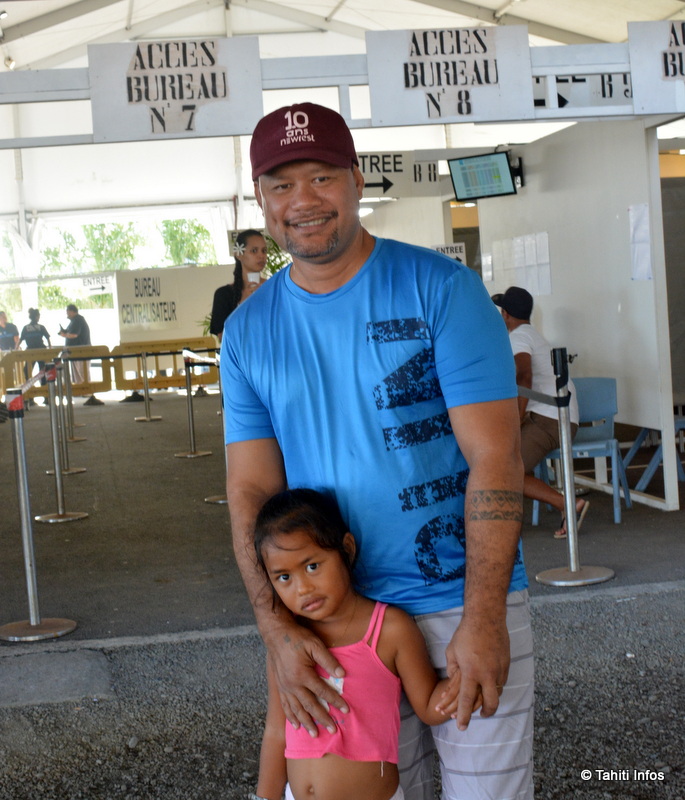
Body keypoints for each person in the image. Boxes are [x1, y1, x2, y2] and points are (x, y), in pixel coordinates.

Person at [221, 102, 533, 800]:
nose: (302, 200)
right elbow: (250, 491)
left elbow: (494, 457)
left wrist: (484, 618)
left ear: (358, 182)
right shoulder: (247, 331)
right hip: (334, 615)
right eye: (280, 184)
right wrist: (277, 630)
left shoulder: (440, 289)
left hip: (456, 598)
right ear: (261, 201)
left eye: (322, 177)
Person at [253, 488, 461, 800]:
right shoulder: (287, 646)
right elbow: (276, 731)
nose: (303, 588)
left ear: (346, 550)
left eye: (312, 566)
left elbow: (429, 705)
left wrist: (465, 680)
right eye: (283, 577)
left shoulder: (389, 629)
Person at [492, 286, 588, 539]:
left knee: (506, 469)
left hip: (549, 420)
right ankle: (511, 519)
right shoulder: (533, 335)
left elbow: (524, 375)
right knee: (510, 457)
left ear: (505, 314)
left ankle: (567, 504)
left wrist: (516, 417)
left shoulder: (519, 337)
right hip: (558, 417)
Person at [209, 229, 268, 341]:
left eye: (264, 251)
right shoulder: (224, 295)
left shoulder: (274, 288)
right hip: (242, 356)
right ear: (239, 254)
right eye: (254, 251)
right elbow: (223, 338)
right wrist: (243, 304)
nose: (261, 256)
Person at [19, 307, 51, 394]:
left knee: (27, 370)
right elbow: (48, 339)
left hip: (30, 352)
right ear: (37, 317)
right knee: (43, 371)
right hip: (41, 351)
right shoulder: (41, 327)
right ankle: (45, 393)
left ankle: (30, 389)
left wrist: (16, 350)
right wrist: (50, 349)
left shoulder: (26, 328)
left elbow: (20, 340)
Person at [57, 303, 91, 383]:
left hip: (80, 350)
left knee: (80, 372)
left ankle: (82, 388)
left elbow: (74, 334)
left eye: (68, 311)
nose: (67, 314)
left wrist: (64, 335)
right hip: (77, 350)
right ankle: (82, 388)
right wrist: (65, 332)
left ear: (72, 311)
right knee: (80, 371)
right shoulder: (74, 321)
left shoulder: (77, 320)